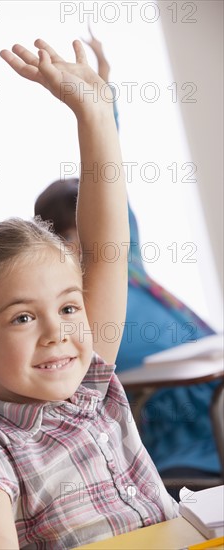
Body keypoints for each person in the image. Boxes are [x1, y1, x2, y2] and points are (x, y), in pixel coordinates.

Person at [0, 39, 178, 549]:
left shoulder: (90, 386)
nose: (58, 333)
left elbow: (108, 249)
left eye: (69, 307)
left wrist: (93, 113)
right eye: (23, 318)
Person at [34, 27, 220, 487]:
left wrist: (102, 96)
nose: (88, 241)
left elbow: (108, 179)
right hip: (183, 433)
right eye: (73, 236)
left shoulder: (127, 263)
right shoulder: (79, 301)